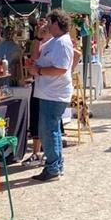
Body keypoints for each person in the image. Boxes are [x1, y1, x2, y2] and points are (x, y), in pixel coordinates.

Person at [27, 10, 75, 182]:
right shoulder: (54, 41)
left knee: (49, 131)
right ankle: (56, 165)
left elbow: (61, 69)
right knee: (48, 130)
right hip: (49, 92)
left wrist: (39, 71)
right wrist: (38, 39)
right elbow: (35, 56)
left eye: (49, 22)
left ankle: (53, 167)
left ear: (56, 23)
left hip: (54, 93)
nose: (46, 25)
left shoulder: (61, 43)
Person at [22, 20, 51, 167]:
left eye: (45, 26)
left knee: (48, 121)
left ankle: (47, 154)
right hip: (38, 85)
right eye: (40, 26)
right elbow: (33, 57)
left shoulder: (57, 42)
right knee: (35, 119)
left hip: (50, 89)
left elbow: (76, 54)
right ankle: (36, 153)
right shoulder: (41, 42)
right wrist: (38, 38)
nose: (42, 28)